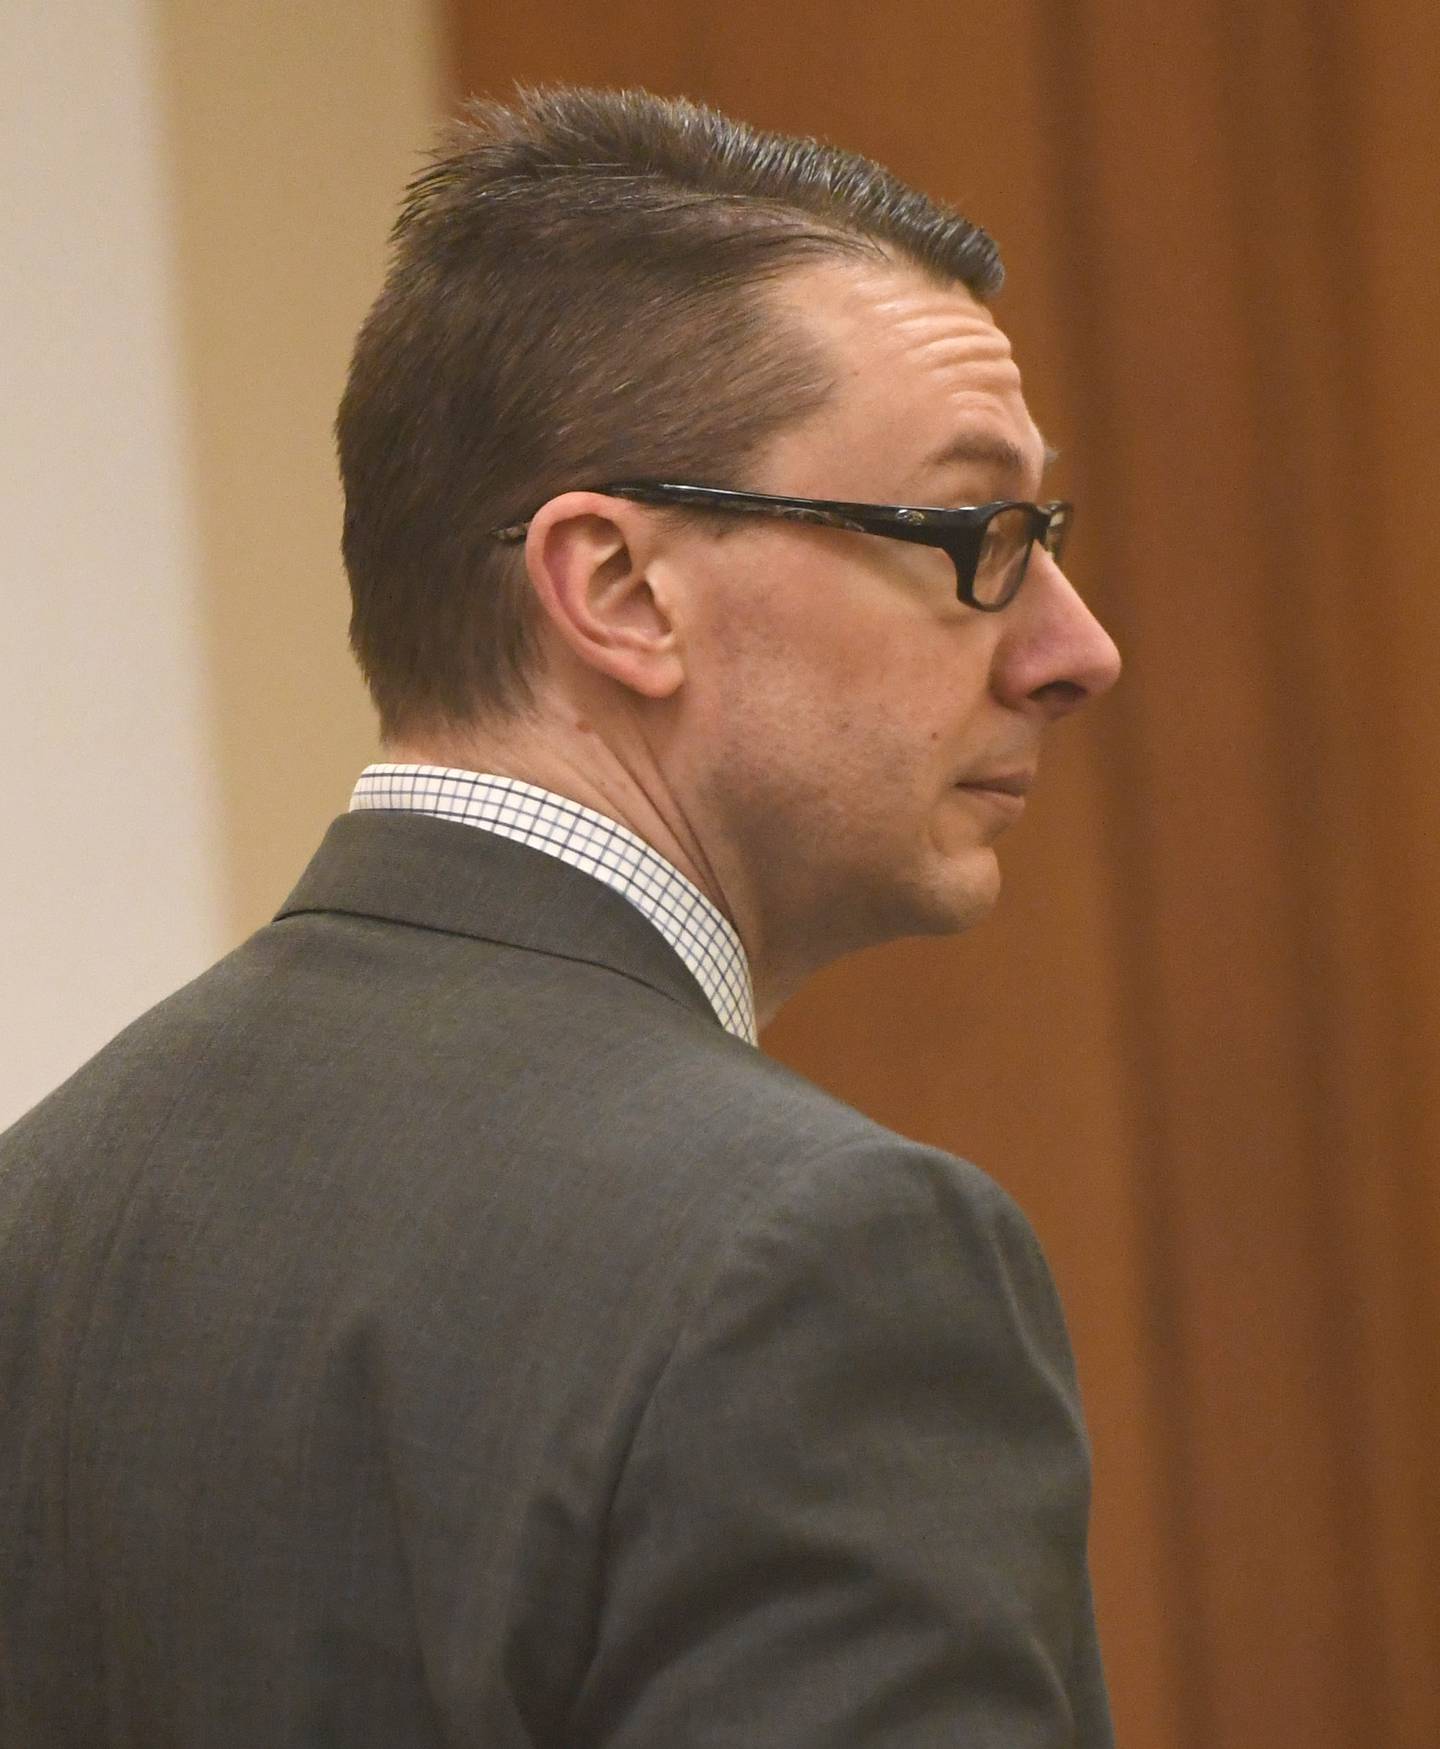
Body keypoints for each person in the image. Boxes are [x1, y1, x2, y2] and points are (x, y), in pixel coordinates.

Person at [0, 86, 1122, 1747]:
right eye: (977, 534)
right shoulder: (822, 1261)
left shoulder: (49, 1201)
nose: (1071, 647)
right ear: (617, 590)